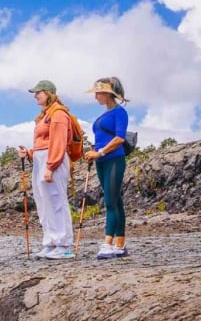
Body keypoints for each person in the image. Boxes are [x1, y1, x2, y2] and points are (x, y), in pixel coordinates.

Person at [19, 80, 77, 260]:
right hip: (41, 159)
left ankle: (65, 244)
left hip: (53, 160)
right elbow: (42, 143)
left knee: (56, 200)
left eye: (39, 92)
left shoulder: (58, 114)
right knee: (44, 201)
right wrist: (29, 153)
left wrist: (51, 166)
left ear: (49, 93)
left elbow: (58, 142)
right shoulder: (45, 115)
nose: (36, 96)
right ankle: (51, 241)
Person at [84, 77, 130, 259]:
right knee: (116, 200)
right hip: (101, 160)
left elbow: (120, 138)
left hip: (113, 160)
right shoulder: (103, 116)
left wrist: (101, 152)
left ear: (108, 94)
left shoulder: (120, 112)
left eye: (98, 93)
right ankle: (120, 244)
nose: (96, 97)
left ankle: (108, 243)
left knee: (110, 202)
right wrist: (94, 152)